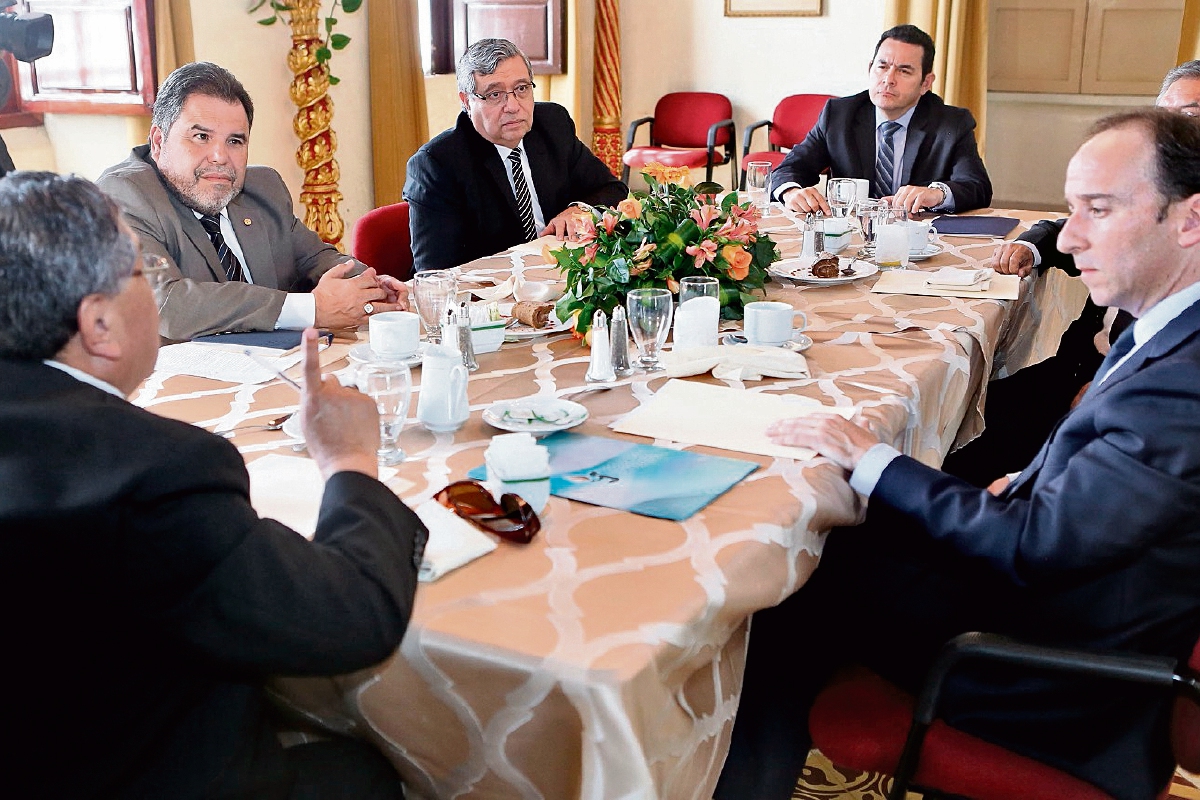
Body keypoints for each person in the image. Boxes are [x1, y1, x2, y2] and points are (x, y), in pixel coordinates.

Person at [716, 109, 1200, 800]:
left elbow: (1032, 546)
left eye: (1100, 209)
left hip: (1054, 678)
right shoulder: (1172, 326)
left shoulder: (1184, 383)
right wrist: (1033, 479)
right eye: (1071, 209)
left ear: (1189, 220)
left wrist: (870, 455)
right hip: (1075, 596)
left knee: (792, 582)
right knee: (842, 528)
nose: (1069, 236)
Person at [0, 171, 428, 798]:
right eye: (143, 275)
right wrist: (348, 461)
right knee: (371, 771)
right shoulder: (158, 472)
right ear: (99, 326)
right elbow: (353, 620)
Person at [944, 61, 1200, 485]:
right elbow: (1064, 230)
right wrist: (1030, 246)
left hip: (1113, 399)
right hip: (1076, 369)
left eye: (1188, 116)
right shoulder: (1149, 184)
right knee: (954, 410)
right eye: (1163, 115)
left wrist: (1104, 390)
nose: (1170, 130)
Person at [98, 62, 408, 342]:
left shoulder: (263, 187)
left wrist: (368, 287)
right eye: (201, 137)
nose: (220, 157)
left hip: (277, 368)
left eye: (235, 141)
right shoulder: (123, 195)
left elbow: (315, 258)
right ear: (158, 141)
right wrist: (311, 308)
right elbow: (165, 304)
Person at [404, 38, 628, 272]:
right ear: (466, 102)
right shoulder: (437, 164)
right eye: (494, 95)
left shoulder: (552, 124)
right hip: (489, 292)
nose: (512, 106)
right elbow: (436, 272)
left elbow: (613, 189)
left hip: (560, 274)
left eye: (521, 89)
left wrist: (579, 209)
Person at [771, 24, 992, 216]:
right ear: (870, 69)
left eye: (904, 71)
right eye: (882, 66)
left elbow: (978, 188)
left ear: (926, 83)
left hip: (917, 241)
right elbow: (790, 168)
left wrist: (936, 194)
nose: (888, 79)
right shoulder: (839, 115)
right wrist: (791, 192)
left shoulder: (951, 124)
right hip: (851, 238)